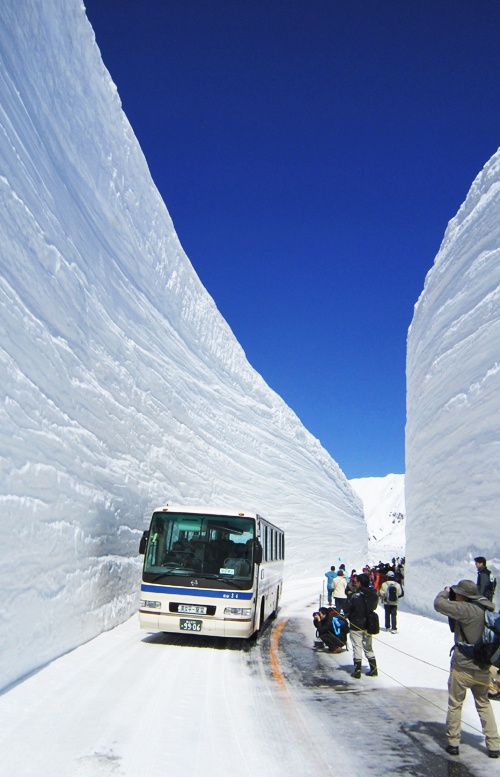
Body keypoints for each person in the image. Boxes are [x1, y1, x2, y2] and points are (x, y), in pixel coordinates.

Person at [434, 580, 500, 758]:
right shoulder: (486, 607)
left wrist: (445, 592)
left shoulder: (465, 609)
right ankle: (494, 745)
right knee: (484, 703)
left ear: (464, 595)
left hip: (462, 666)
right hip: (483, 666)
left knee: (455, 704)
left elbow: (438, 604)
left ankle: (453, 742)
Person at [344, 573, 379, 678]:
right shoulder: (373, 594)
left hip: (356, 624)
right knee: (368, 647)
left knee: (357, 647)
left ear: (359, 583)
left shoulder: (355, 596)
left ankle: (357, 670)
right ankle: (374, 669)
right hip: (369, 624)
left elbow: (346, 608)